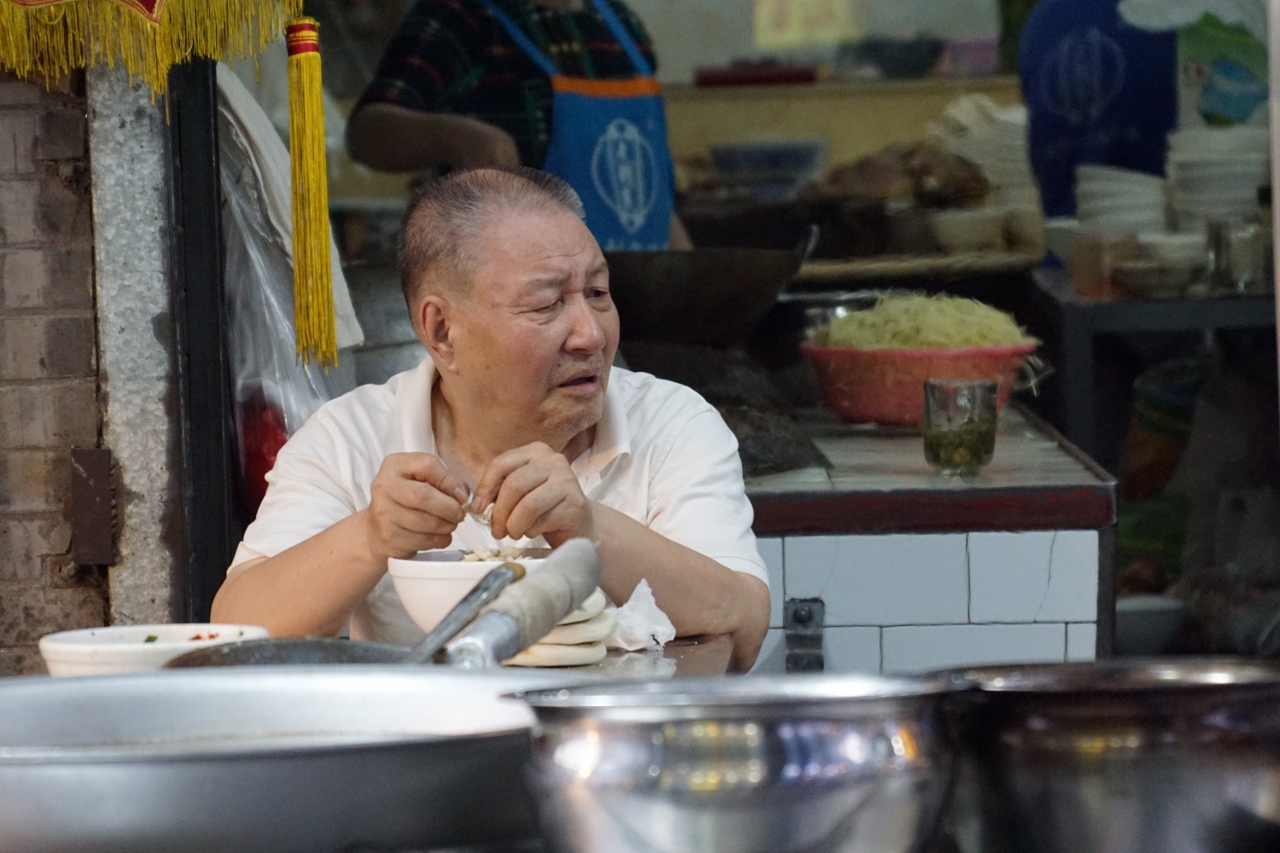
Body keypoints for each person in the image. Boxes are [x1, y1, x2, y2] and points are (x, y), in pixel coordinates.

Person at [211, 167, 770, 670]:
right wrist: (371, 536)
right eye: (547, 304)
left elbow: (745, 623)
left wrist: (589, 530)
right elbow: (234, 633)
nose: (591, 334)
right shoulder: (348, 437)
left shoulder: (672, 422)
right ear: (441, 331)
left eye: (598, 292)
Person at [345, 0, 691, 250]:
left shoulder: (621, 24)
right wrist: (455, 137)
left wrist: (688, 280)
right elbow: (367, 132)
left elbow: (655, 201)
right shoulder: (460, 16)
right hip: (529, 301)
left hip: (639, 296)